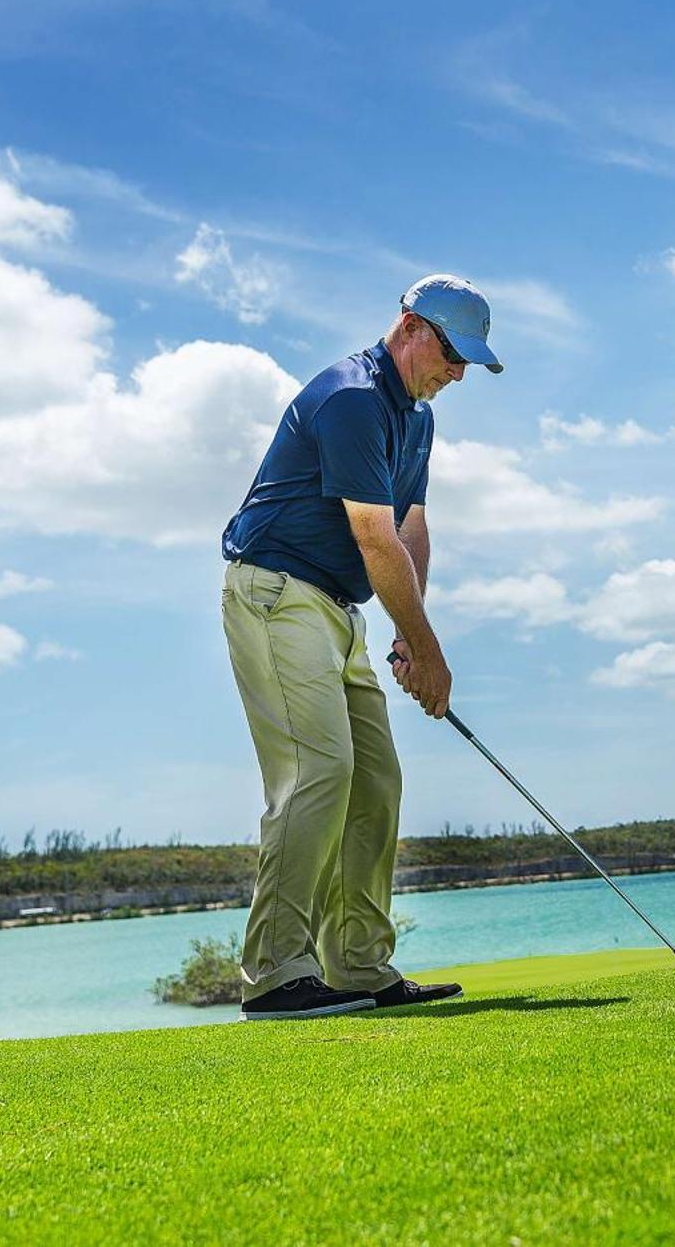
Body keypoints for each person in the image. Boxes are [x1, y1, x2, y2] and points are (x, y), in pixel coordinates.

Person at [219, 274, 503, 1020]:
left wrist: (414, 633)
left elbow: (411, 527)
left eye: (468, 360)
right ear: (411, 327)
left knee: (376, 779)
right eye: (451, 353)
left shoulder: (416, 419)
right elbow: (372, 535)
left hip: (338, 610)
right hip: (275, 592)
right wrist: (425, 648)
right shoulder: (351, 397)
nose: (459, 372)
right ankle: (277, 973)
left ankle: (355, 965)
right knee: (320, 768)